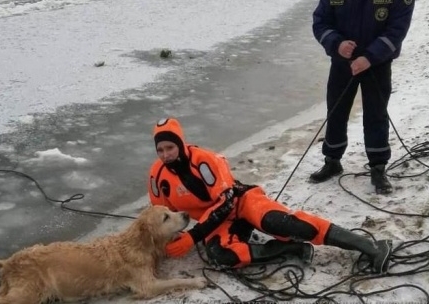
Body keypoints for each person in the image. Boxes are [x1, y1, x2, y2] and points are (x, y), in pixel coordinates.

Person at [147, 117, 392, 273]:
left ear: (180, 143)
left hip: (240, 202)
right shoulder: (157, 176)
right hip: (217, 224)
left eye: (170, 147)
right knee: (221, 257)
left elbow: (226, 200)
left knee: (286, 224)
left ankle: (371, 246)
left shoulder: (205, 160)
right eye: (160, 150)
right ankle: (289, 250)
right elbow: (159, 215)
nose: (166, 154)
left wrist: (192, 237)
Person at [311, 0, 415, 194]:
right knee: (335, 112)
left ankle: (378, 168)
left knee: (375, 114)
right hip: (342, 64)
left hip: (377, 64)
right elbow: (320, 21)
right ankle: (332, 162)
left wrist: (370, 57)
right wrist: (337, 44)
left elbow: (398, 27)